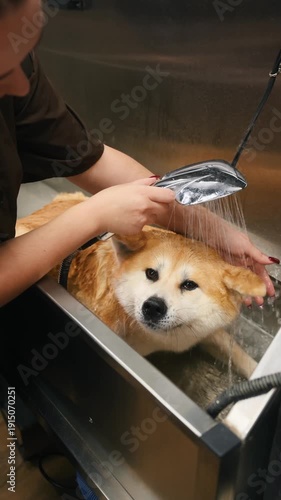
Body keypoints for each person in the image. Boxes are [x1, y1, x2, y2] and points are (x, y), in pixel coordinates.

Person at [0, 0, 278, 308]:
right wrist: (94, 215)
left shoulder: (15, 69)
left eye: (28, 52)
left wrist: (220, 235)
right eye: (2, 73)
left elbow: (92, 161)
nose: (21, 85)